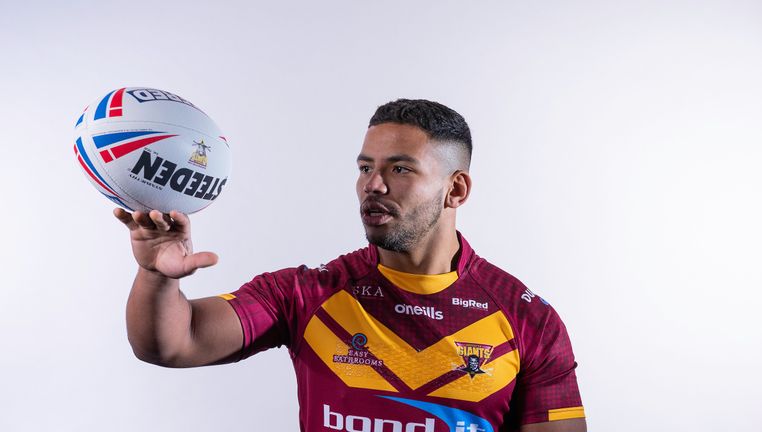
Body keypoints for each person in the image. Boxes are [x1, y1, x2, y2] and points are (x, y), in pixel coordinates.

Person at [115, 99, 587, 432]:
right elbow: (174, 343)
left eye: (400, 169)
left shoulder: (529, 321)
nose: (373, 185)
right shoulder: (306, 293)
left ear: (456, 190)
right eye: (365, 168)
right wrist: (155, 274)